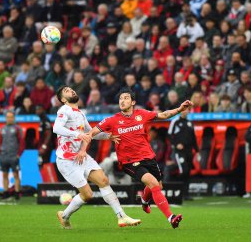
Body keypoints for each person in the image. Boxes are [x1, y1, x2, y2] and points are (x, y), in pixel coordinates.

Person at [87, 88, 193, 228]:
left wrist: (179, 109)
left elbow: (164, 115)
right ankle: (171, 218)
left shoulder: (142, 114)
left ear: (133, 102)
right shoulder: (112, 120)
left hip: (148, 157)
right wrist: (96, 141)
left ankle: (144, 200)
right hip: (129, 161)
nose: (122, 101)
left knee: (157, 185)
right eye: (120, 99)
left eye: (125, 98)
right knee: (153, 183)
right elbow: (92, 133)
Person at [53, 86, 141, 229]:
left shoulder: (80, 113)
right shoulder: (64, 110)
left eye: (71, 89)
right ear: (63, 99)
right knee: (87, 195)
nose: (71, 91)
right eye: (67, 91)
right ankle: (64, 216)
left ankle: (122, 217)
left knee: (104, 180)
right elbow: (56, 128)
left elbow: (90, 132)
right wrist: (77, 135)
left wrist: (108, 136)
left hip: (82, 156)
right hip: (67, 160)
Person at [167, 109, 198, 200]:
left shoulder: (190, 123)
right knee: (183, 170)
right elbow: (169, 135)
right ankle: (178, 192)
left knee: (188, 172)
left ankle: (186, 194)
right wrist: (176, 144)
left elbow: (193, 137)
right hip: (179, 151)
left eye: (187, 110)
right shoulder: (175, 121)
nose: (185, 112)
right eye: (183, 110)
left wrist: (197, 150)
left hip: (189, 151)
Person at [0, 111, 25, 201]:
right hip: (3, 155)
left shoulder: (17, 128)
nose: (9, 119)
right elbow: (0, 142)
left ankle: (17, 193)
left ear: (14, 118)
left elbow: (22, 142)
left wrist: (18, 154)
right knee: (4, 175)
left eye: (11, 117)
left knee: (15, 175)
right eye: (8, 117)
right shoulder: (2, 129)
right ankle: (5, 192)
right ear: (6, 118)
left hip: (14, 155)